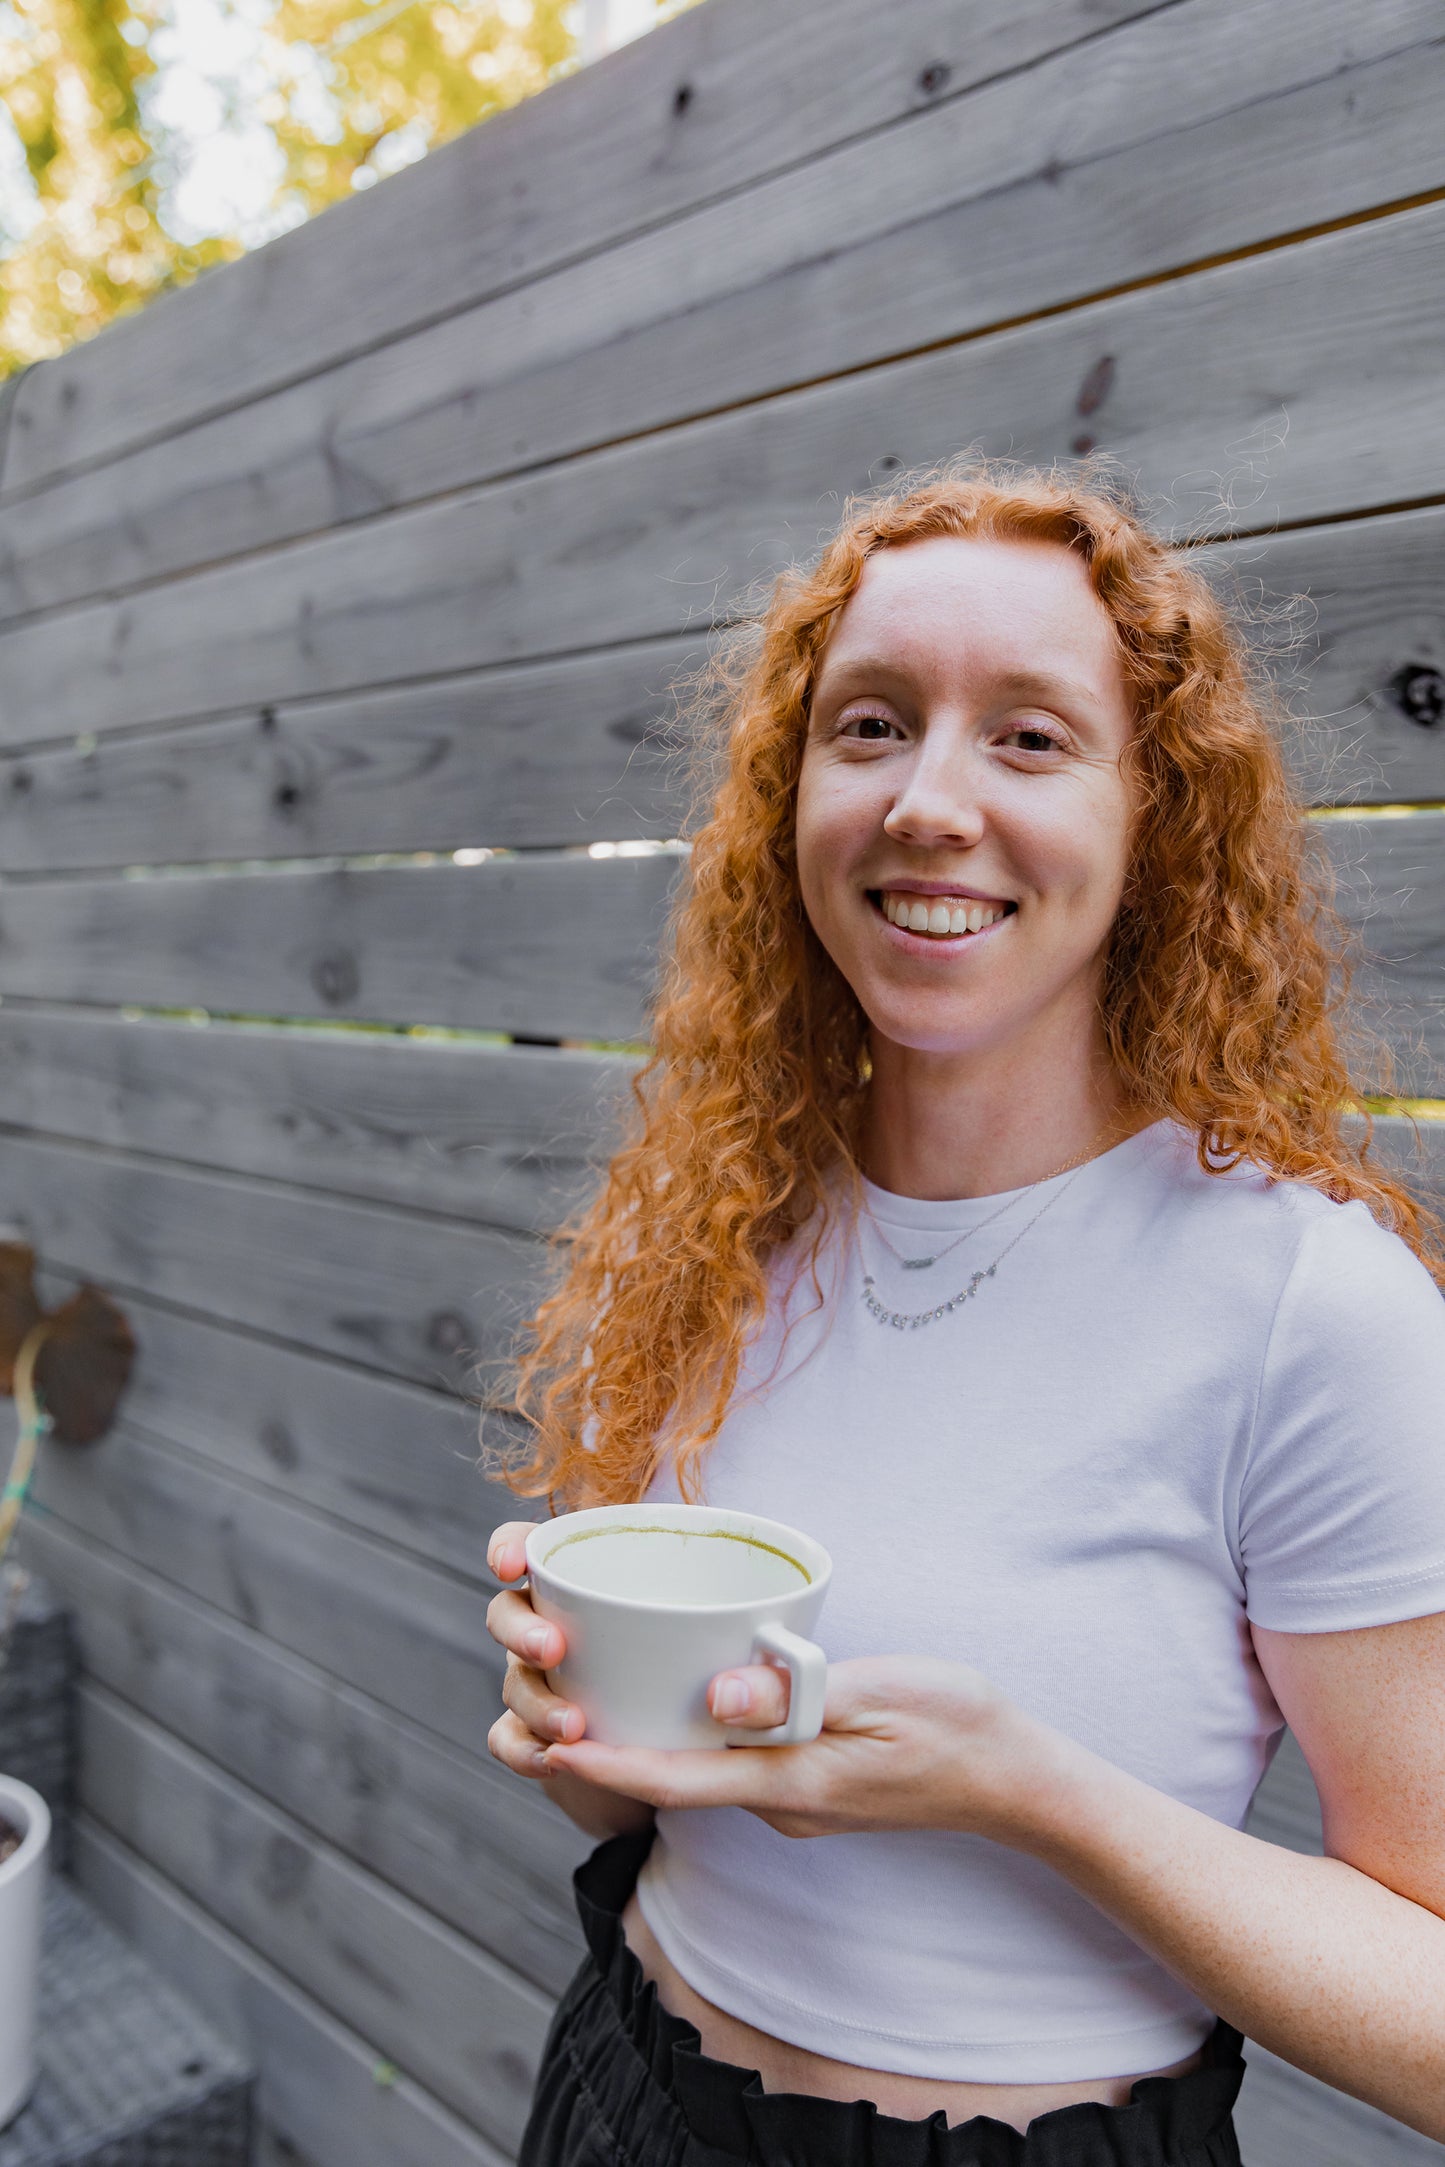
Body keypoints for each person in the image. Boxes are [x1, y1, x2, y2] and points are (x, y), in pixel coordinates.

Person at [484, 464, 1445, 2167]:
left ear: (1153, 821)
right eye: (869, 726)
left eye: (1026, 737)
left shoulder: (1311, 1303)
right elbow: (659, 1805)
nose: (928, 800)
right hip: (618, 2081)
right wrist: (584, 1730)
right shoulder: (728, 1222)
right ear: (792, 799)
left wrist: (1028, 1789)